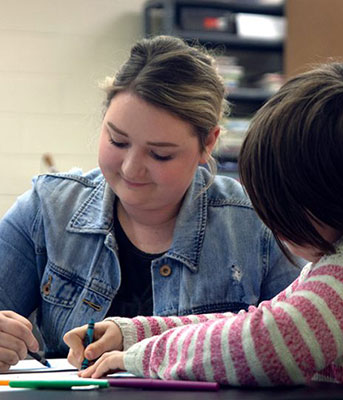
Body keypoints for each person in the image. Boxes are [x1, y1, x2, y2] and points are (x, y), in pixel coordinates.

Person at [64, 59, 343, 390]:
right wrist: (134, 334)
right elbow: (252, 321)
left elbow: (268, 344)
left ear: (328, 197)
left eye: (277, 208)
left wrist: (140, 357)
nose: (273, 224)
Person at [0, 35, 300, 371]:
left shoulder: (256, 224)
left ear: (208, 144)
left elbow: (300, 343)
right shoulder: (46, 208)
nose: (131, 168)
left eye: (160, 154)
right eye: (118, 140)